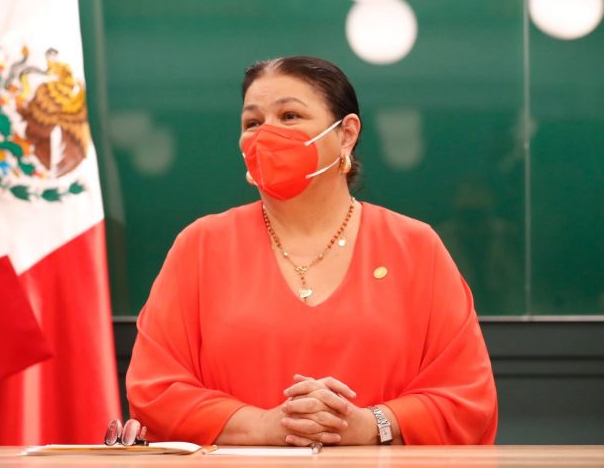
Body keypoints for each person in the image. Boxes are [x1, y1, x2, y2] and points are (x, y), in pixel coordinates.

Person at [125, 56, 498, 446]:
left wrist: (370, 424)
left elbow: (467, 399)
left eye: (290, 116)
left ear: (346, 134)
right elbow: (156, 391)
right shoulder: (201, 246)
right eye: (253, 123)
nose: (266, 134)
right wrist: (264, 426)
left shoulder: (415, 247)